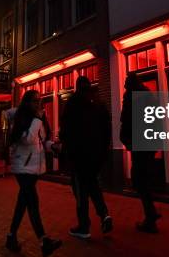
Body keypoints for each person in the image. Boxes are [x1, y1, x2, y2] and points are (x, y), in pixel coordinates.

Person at [6, 90, 62, 256]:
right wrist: (38, 119)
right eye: (34, 100)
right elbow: (28, 139)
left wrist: (51, 146)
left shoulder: (38, 118)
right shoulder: (21, 118)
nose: (38, 103)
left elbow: (40, 140)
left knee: (23, 203)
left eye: (40, 100)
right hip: (22, 165)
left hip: (33, 166)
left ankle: (11, 236)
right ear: (27, 102)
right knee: (32, 202)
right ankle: (44, 241)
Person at [60, 76, 112, 239]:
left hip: (79, 156)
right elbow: (107, 131)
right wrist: (103, 152)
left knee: (80, 191)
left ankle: (84, 226)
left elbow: (65, 131)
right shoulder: (98, 103)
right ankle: (104, 214)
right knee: (93, 184)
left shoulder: (72, 104)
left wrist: (65, 147)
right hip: (96, 156)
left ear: (77, 87)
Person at [120, 73, 161, 233]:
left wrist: (126, 139)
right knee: (143, 178)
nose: (124, 84)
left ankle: (150, 216)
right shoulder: (148, 95)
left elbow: (126, 120)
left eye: (125, 82)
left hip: (139, 144)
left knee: (138, 178)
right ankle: (151, 213)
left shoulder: (131, 97)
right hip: (149, 143)